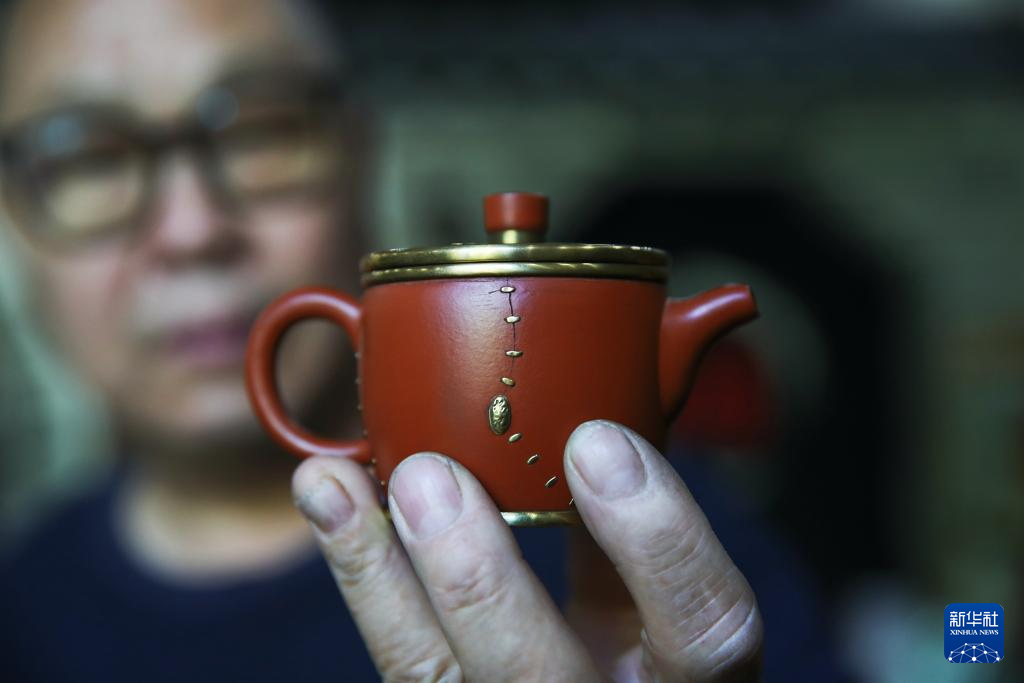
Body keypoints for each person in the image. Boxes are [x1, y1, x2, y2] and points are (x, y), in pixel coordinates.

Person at [0, 0, 765, 681]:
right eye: (88, 159)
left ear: (361, 155)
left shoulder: (662, 546)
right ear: (12, 221)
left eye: (261, 130)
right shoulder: (20, 625)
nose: (193, 230)